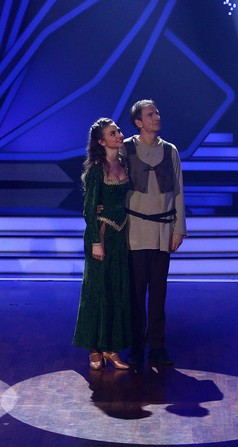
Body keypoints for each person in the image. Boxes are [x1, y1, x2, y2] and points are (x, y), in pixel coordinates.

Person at [124, 100, 187, 367]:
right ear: (139, 122)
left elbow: (179, 191)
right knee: (136, 294)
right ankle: (137, 348)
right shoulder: (125, 149)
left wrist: (179, 228)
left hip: (163, 231)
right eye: (150, 114)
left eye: (157, 112)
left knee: (159, 294)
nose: (156, 117)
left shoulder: (170, 151)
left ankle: (157, 347)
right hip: (135, 232)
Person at [72, 118, 132, 370]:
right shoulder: (97, 169)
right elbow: (88, 210)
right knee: (97, 291)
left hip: (121, 235)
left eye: (118, 131)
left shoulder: (124, 163)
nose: (119, 135)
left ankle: (111, 347)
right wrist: (96, 241)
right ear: (101, 141)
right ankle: (94, 348)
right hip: (102, 234)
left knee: (117, 290)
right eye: (112, 133)